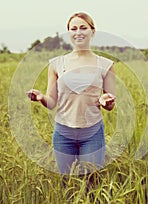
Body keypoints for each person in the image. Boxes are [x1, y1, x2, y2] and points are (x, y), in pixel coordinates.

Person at [26, 12, 116, 176]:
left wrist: (106, 101)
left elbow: (110, 102)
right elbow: (52, 102)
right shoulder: (56, 64)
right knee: (67, 183)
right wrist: (41, 98)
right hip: (63, 134)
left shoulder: (105, 64)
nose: (78, 32)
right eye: (73, 28)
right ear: (69, 33)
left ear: (92, 31)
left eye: (83, 28)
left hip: (92, 133)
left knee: (91, 182)